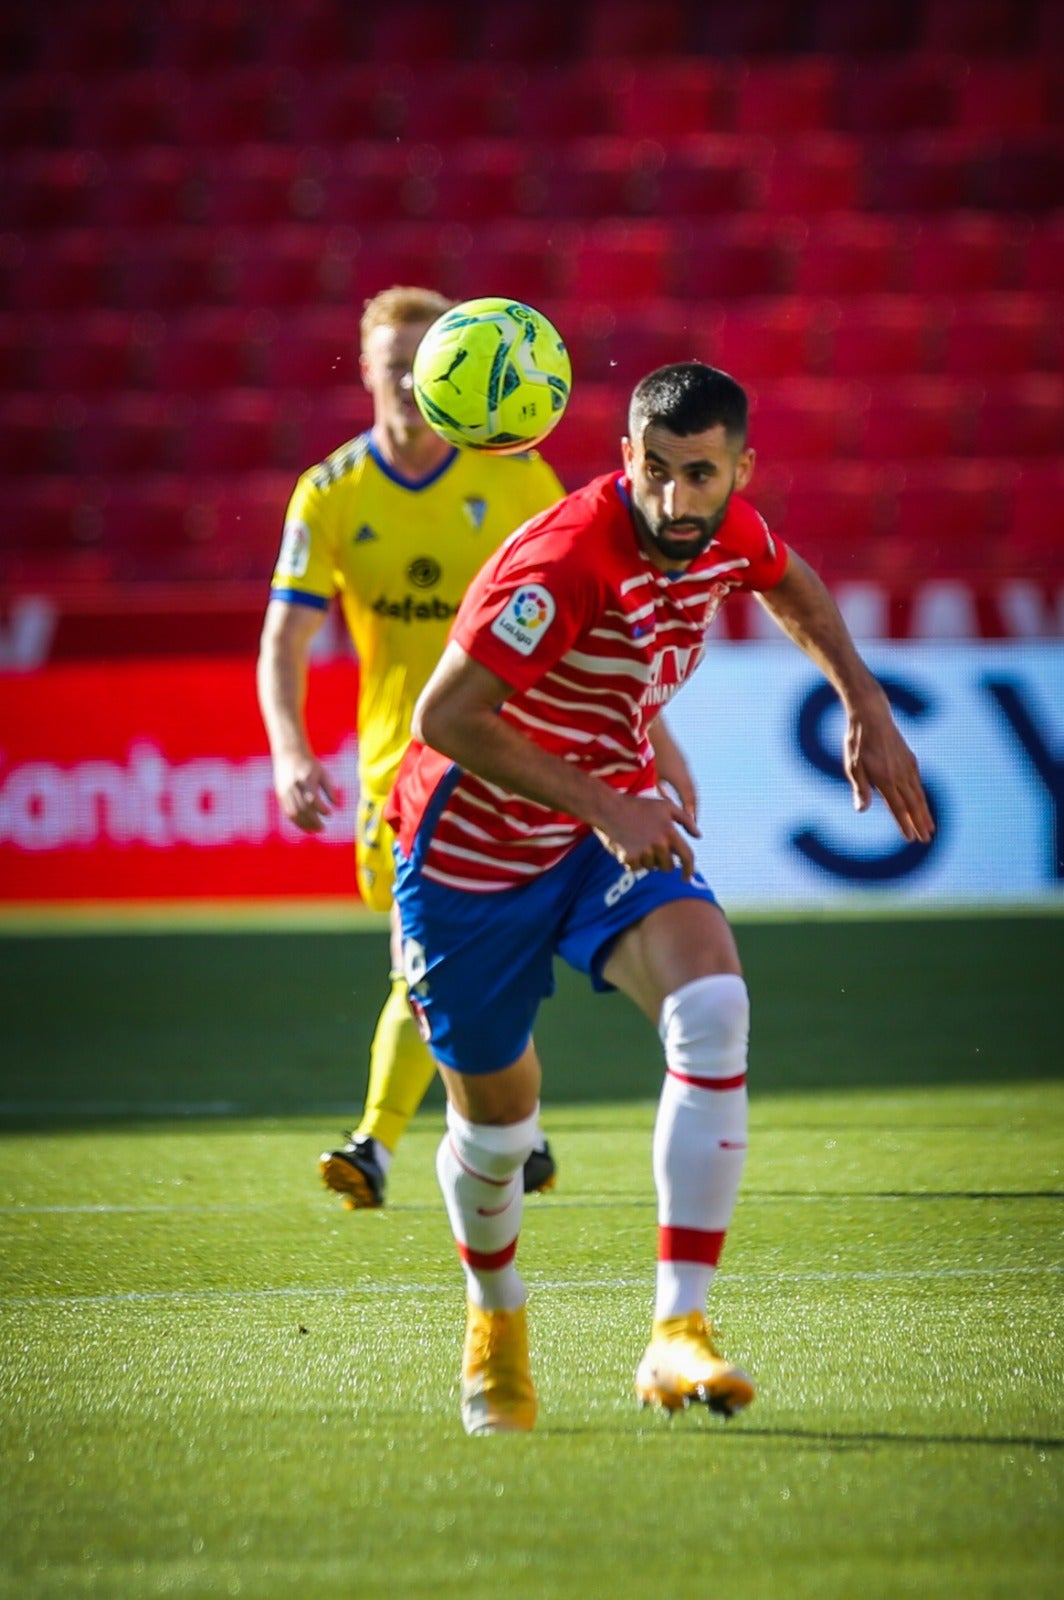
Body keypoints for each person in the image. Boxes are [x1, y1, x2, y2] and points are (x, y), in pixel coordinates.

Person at [385, 361, 935, 1435]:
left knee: (713, 1007)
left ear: (738, 468)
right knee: (497, 1131)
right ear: (622, 461)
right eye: (657, 474)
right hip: (473, 854)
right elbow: (443, 717)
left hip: (605, 829)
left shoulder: (726, 527)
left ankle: (676, 1332)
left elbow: (791, 582)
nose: (678, 501)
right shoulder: (565, 556)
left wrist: (860, 698)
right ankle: (495, 1314)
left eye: (702, 474)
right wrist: (603, 798)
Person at [256, 285, 567, 1208]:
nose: (404, 381)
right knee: (423, 962)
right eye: (390, 365)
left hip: (511, 756)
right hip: (401, 771)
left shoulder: (513, 475)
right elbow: (285, 638)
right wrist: (289, 750)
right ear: (366, 369)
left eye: (421, 365)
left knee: (485, 955)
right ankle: (384, 1145)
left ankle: (501, 1127)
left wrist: (645, 736)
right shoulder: (331, 492)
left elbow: (582, 607)